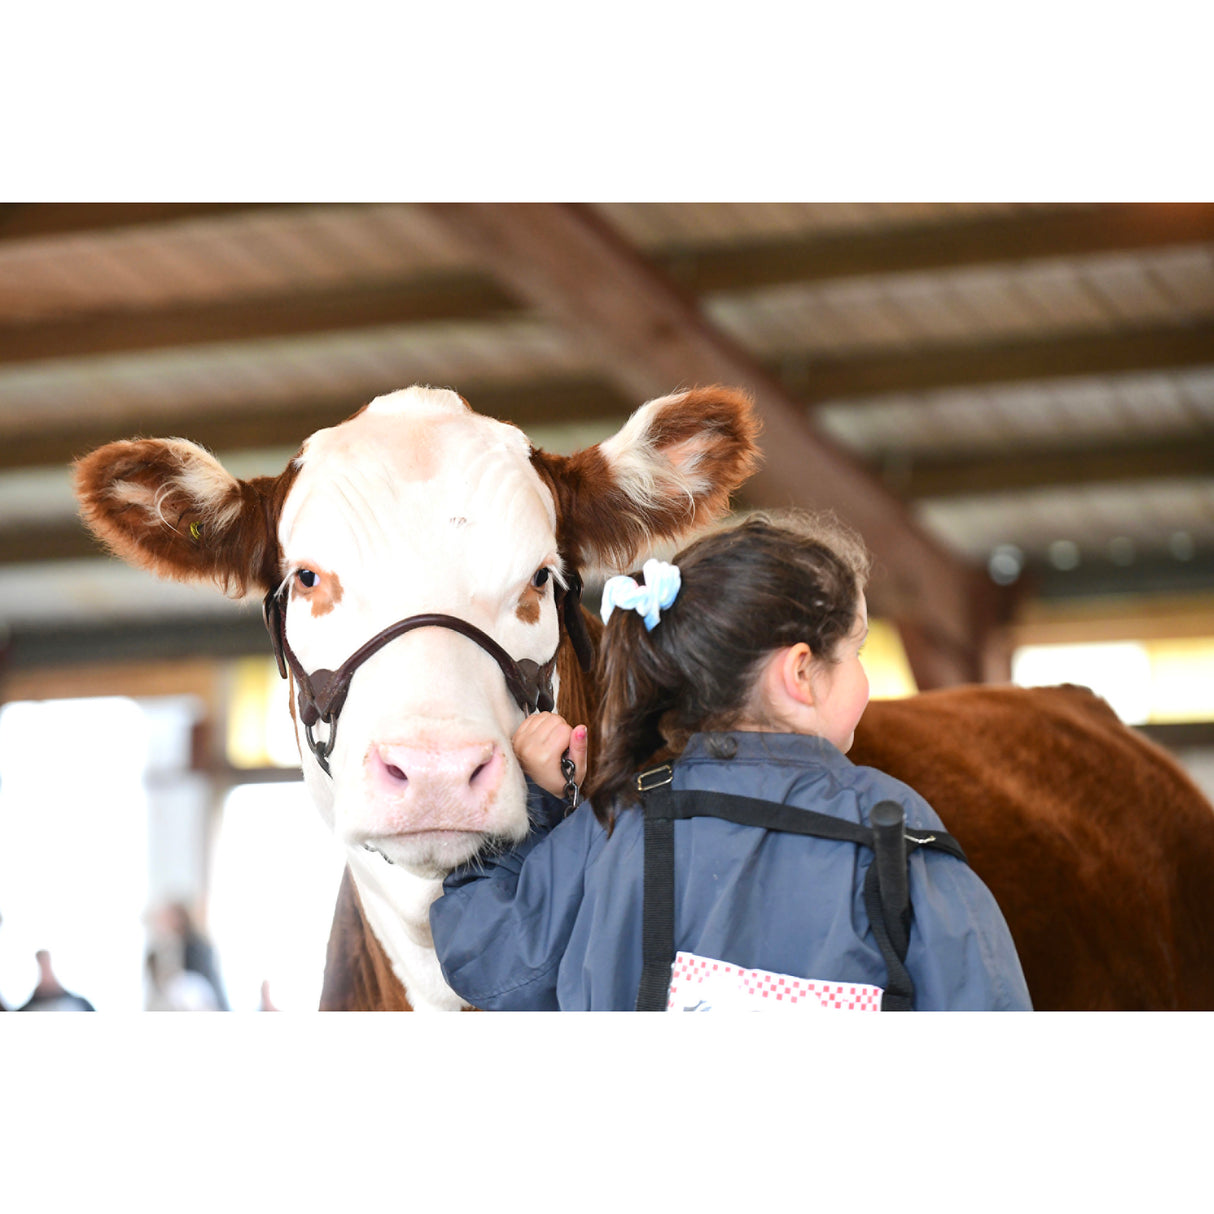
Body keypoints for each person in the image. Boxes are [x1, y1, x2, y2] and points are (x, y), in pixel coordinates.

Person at [429, 510, 1032, 1013]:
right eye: (856, 651)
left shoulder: (620, 823)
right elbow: (987, 1005)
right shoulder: (892, 825)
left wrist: (543, 800)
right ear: (800, 672)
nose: (863, 674)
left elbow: (492, 958)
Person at [17, 949, 95, 1011]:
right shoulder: (27, 1009)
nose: (46, 972)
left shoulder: (80, 1003)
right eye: (42, 964)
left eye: (47, 962)